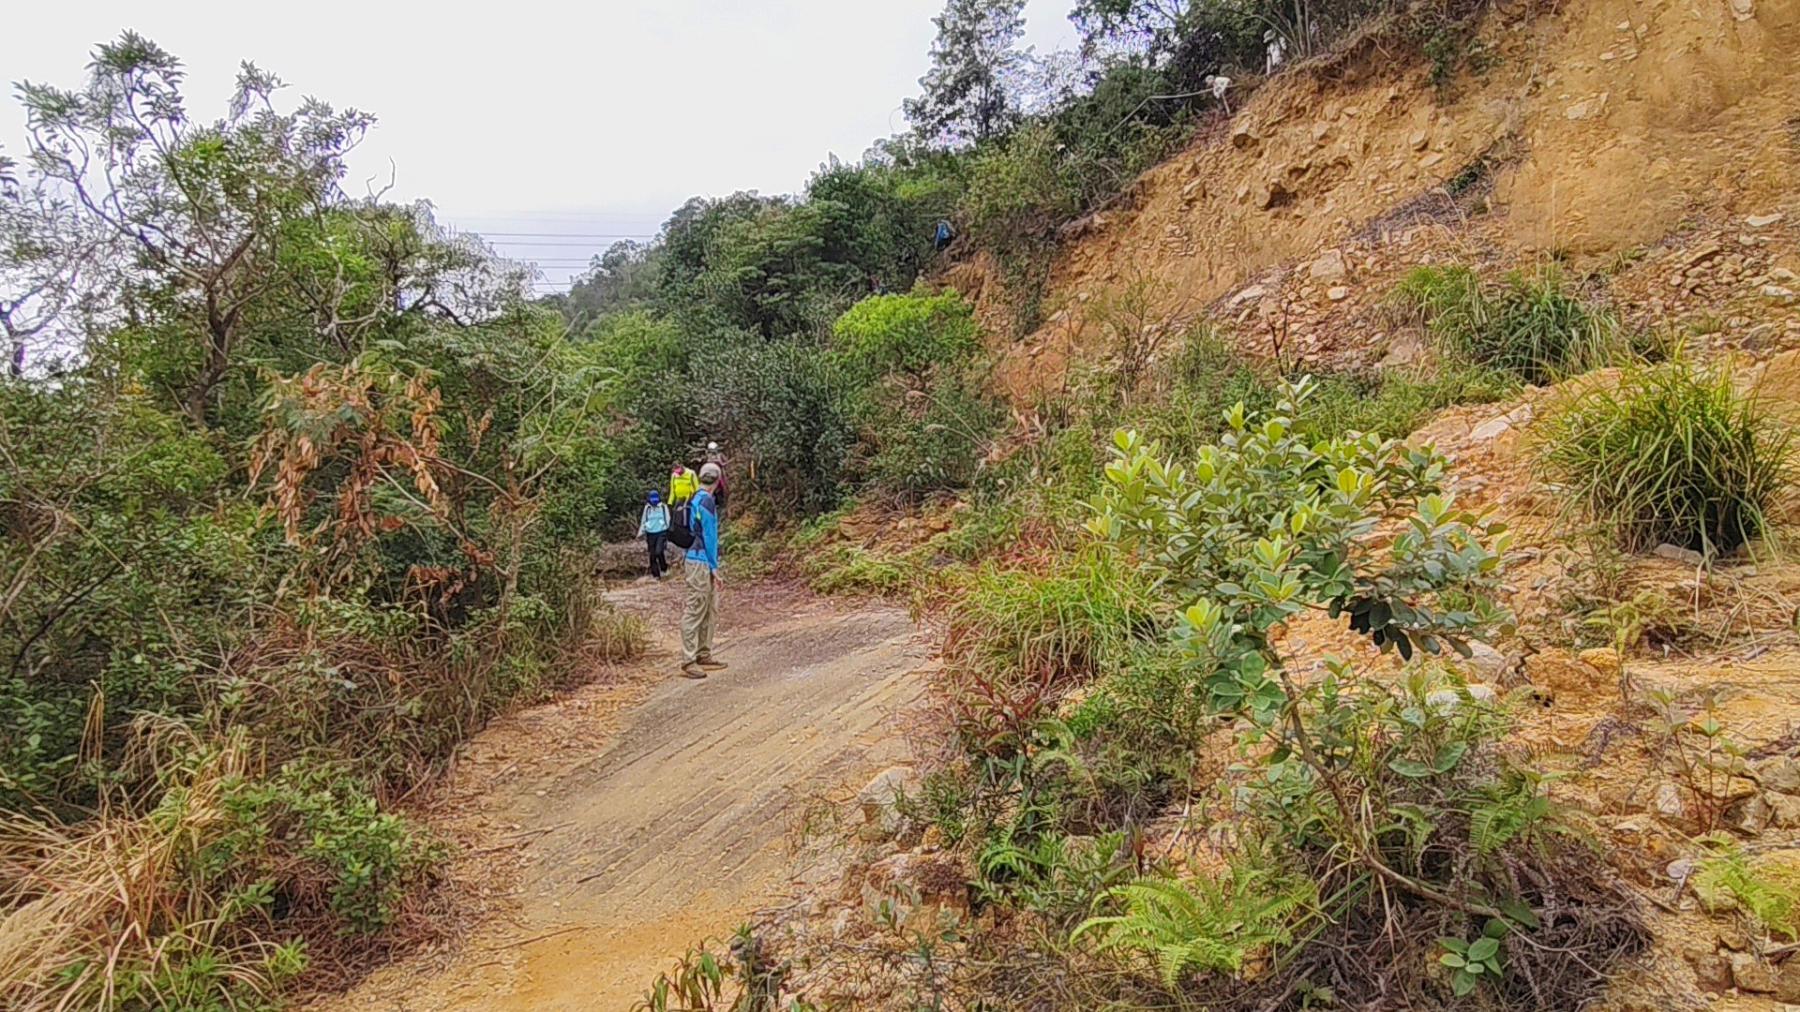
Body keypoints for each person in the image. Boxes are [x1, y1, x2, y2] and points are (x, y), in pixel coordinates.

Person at [680, 463, 727, 680]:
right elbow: (710, 535)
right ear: (718, 481)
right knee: (696, 608)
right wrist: (714, 567)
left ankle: (702, 653)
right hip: (700, 561)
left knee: (708, 608)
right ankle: (689, 659)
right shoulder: (706, 500)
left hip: (694, 558)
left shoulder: (694, 497)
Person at [637, 490, 670, 580]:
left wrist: (666, 528)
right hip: (650, 533)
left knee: (658, 551)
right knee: (652, 555)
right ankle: (656, 575)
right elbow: (644, 520)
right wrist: (640, 532)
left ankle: (664, 568)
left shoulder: (663, 507)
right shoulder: (647, 508)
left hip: (661, 532)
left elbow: (668, 519)